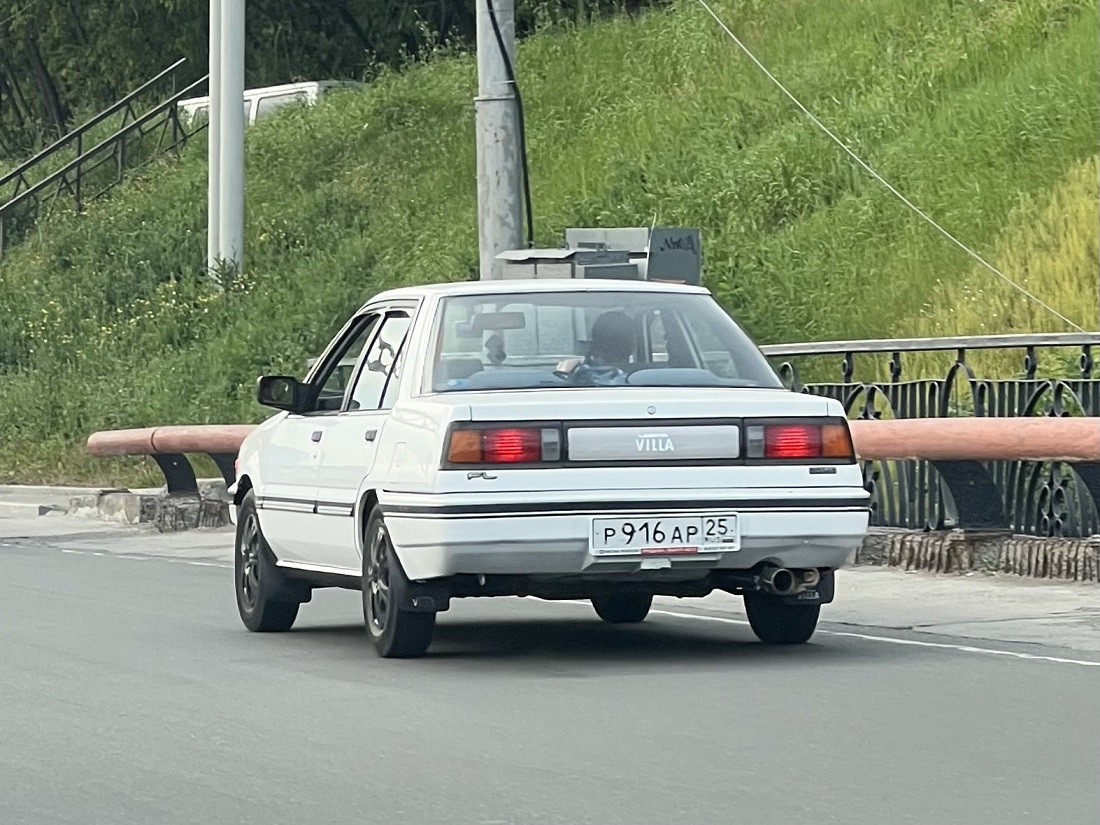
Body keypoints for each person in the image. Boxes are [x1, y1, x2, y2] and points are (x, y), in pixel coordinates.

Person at [559, 310, 636, 385]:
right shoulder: (639, 378)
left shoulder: (577, 376)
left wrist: (562, 373)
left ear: (594, 343)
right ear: (632, 345)